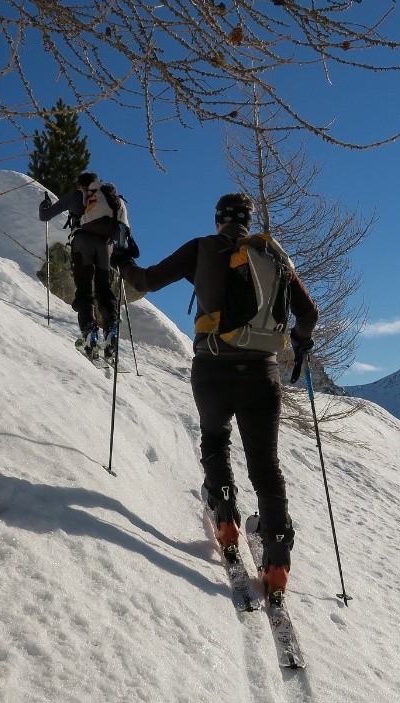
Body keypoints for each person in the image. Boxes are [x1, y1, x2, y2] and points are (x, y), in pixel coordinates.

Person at [116, 191, 318, 598]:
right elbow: (309, 314)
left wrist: (120, 257)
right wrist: (299, 343)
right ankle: (277, 560)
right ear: (247, 219)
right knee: (267, 468)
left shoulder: (203, 248)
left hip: (211, 369)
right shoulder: (274, 258)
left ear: (218, 221)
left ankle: (225, 518)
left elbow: (145, 281)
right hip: (262, 374)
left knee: (214, 438)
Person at [38, 172, 132, 360]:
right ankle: (111, 329)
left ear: (79, 184)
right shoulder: (109, 197)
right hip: (106, 246)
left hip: (83, 244)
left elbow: (45, 216)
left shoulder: (76, 196)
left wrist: (44, 206)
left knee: (84, 288)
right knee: (104, 288)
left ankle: (89, 331)